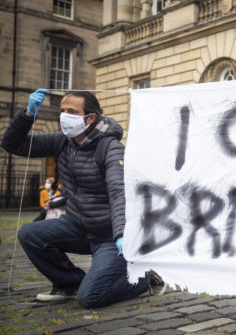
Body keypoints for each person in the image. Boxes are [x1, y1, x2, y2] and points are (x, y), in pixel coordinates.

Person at [2, 89, 167, 308]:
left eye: (71, 111)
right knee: (29, 233)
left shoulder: (111, 147)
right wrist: (28, 114)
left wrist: (120, 235)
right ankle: (69, 283)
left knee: (90, 297)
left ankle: (143, 279)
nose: (64, 116)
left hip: (108, 236)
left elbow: (118, 192)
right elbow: (13, 145)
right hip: (78, 226)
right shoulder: (62, 141)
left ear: (90, 118)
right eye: (62, 111)